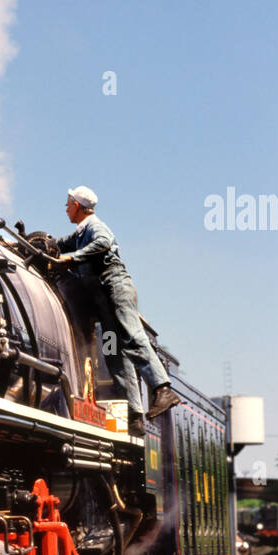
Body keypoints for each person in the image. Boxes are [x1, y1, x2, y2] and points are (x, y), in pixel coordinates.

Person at [54, 186, 181, 436]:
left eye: (68, 204)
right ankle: (135, 415)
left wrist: (72, 259)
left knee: (132, 337)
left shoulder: (94, 227)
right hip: (104, 305)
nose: (65, 208)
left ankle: (163, 389)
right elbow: (59, 244)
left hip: (116, 290)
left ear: (77, 206)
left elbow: (104, 242)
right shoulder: (79, 234)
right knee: (114, 355)